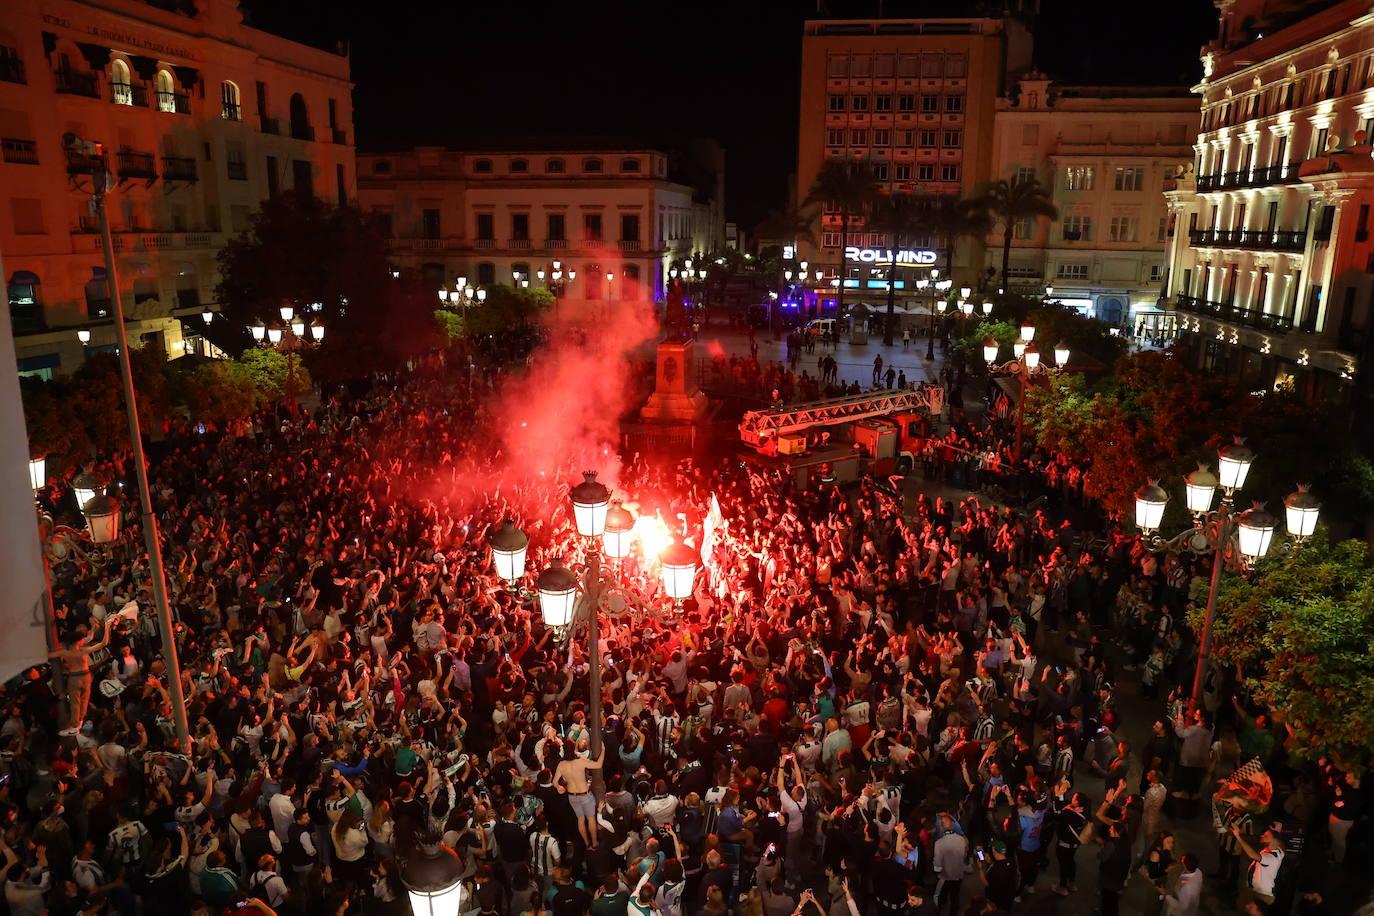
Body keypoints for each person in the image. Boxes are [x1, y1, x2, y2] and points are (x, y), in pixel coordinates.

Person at [554, 743, 605, 847]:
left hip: (572, 796)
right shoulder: (581, 761)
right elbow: (598, 765)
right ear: (574, 749)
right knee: (591, 819)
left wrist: (559, 788)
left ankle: (587, 843)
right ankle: (594, 843)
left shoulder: (561, 764)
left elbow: (555, 782)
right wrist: (603, 750)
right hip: (584, 795)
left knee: (580, 820)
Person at [1233, 824, 1284, 912]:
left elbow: (1252, 854)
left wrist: (1238, 837)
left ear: (1274, 841)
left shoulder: (1271, 858)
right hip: (1256, 890)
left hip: (1262, 895)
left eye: (1266, 836)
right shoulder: (1279, 850)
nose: (1262, 836)